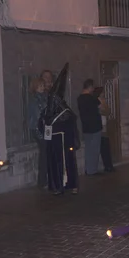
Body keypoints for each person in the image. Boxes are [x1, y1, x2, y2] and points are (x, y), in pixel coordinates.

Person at [39, 63, 79, 195]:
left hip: (64, 141)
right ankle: (56, 185)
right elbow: (43, 121)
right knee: (54, 160)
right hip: (53, 140)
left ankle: (69, 184)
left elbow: (72, 119)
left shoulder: (65, 109)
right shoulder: (45, 107)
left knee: (67, 160)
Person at [77, 79, 102, 176]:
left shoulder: (80, 98)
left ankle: (88, 169)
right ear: (90, 87)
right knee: (95, 149)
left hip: (86, 126)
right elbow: (101, 108)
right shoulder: (92, 98)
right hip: (95, 126)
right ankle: (93, 170)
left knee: (88, 149)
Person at [28, 77, 48, 188]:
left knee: (45, 153)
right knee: (44, 153)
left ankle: (44, 179)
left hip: (44, 128)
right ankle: (42, 180)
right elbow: (37, 115)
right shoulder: (35, 100)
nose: (43, 88)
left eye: (43, 85)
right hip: (38, 128)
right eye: (40, 86)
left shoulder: (43, 98)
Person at [95, 87, 115, 173]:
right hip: (101, 125)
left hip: (104, 124)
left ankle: (109, 165)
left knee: (106, 146)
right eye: (102, 92)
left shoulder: (103, 101)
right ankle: (107, 165)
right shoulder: (97, 101)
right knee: (104, 146)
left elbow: (108, 111)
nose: (104, 93)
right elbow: (103, 111)